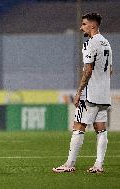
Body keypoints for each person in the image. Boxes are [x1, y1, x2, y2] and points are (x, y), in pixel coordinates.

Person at [53, 13, 112, 173]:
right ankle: (99, 165)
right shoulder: (106, 43)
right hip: (104, 93)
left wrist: (79, 91)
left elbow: (88, 69)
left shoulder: (90, 44)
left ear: (93, 26)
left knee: (78, 126)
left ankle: (69, 164)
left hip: (90, 93)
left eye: (84, 24)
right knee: (101, 128)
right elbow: (110, 70)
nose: (81, 27)